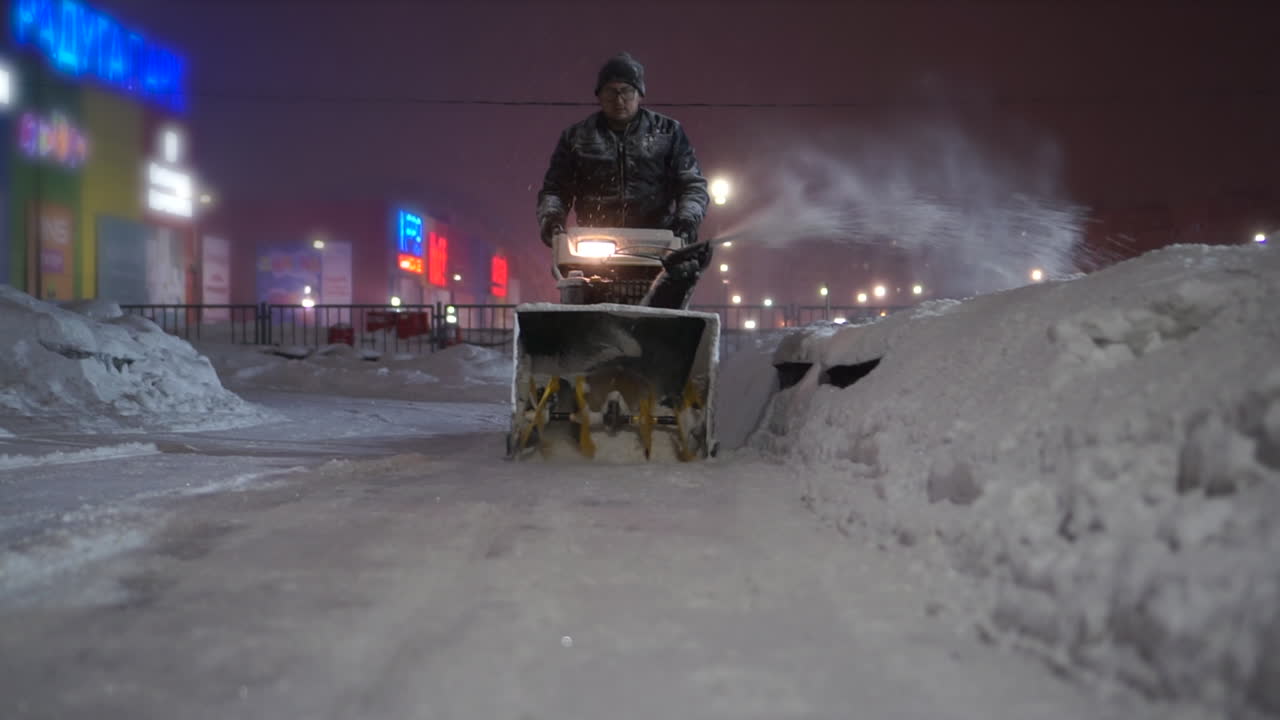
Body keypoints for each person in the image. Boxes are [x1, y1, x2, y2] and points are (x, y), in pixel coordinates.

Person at [536, 52, 712, 307]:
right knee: (585, 301)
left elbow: (692, 185)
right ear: (599, 95)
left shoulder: (668, 133)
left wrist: (687, 220)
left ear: (639, 93)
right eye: (610, 91)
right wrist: (552, 220)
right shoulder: (577, 137)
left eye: (626, 91)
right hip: (595, 243)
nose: (618, 99)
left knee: (668, 298)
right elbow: (555, 189)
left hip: (657, 242)